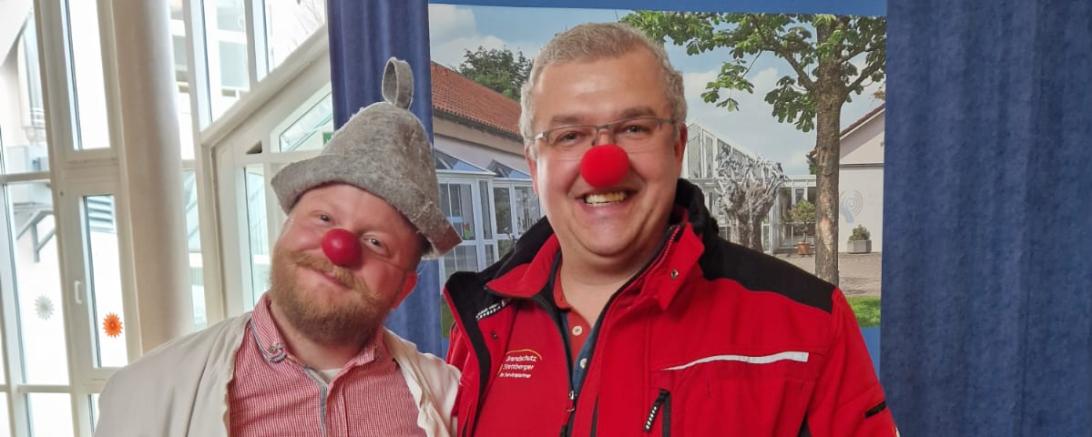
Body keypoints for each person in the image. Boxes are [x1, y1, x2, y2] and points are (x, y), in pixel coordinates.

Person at [443, 23, 897, 436]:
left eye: (634, 129)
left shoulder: (808, 327)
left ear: (677, 146)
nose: (603, 164)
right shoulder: (481, 322)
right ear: (532, 165)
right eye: (569, 136)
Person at [96, 58, 463, 437]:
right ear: (285, 228)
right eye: (324, 218)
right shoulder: (147, 394)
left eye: (375, 242)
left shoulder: (450, 398)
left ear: (403, 289)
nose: (338, 248)